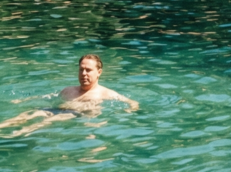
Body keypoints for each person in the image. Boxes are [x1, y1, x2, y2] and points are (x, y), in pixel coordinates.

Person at [0, 54, 138, 136]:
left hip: (76, 114)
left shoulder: (106, 93)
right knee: (30, 113)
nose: (84, 73)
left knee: (48, 121)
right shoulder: (68, 90)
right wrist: (24, 100)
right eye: (81, 69)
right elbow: (49, 96)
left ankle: (18, 134)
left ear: (99, 72)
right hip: (58, 108)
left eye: (88, 70)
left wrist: (129, 109)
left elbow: (132, 102)